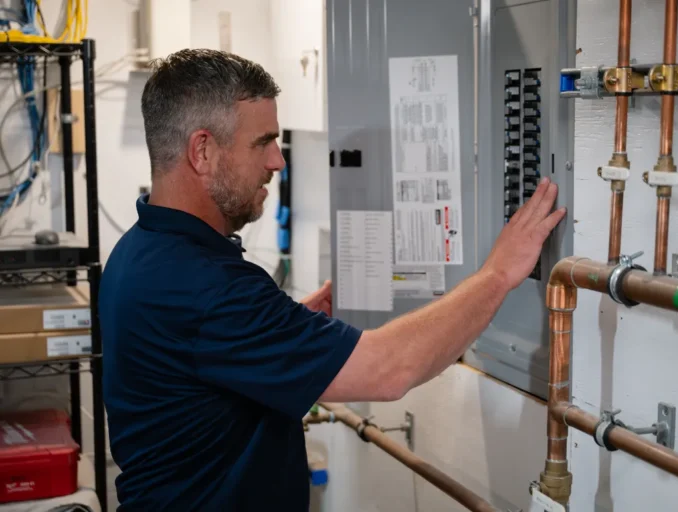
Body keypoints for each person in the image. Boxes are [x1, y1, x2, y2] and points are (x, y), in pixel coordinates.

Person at [99, 49, 566, 511]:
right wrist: (499, 274)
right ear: (202, 151)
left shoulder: (138, 251)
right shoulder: (207, 286)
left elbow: (201, 368)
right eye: (261, 142)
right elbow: (389, 370)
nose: (276, 161)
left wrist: (291, 328)